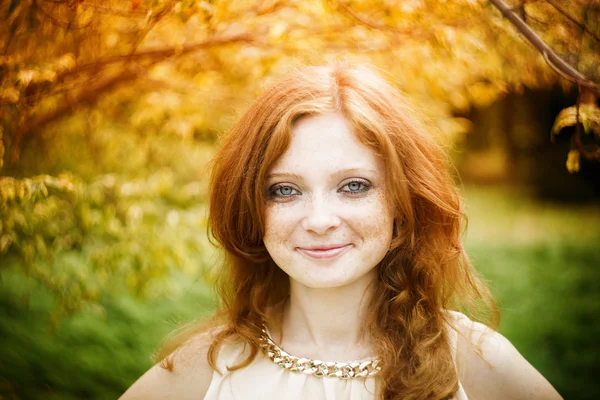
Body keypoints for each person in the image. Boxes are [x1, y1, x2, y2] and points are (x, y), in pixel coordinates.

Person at [120, 63, 562, 400]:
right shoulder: (204, 370)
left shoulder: (476, 362)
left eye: (353, 186)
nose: (318, 219)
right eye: (284, 190)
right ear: (251, 209)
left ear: (403, 203)